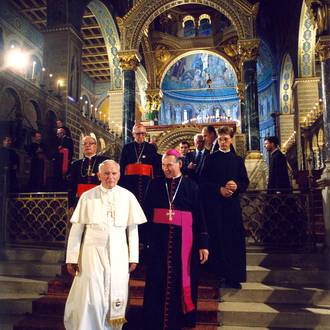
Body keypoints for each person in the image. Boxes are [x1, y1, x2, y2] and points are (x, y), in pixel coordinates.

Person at [64, 160, 147, 330]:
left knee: (115, 293)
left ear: (119, 175)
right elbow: (77, 229)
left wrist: (133, 257)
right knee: (91, 294)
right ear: (99, 176)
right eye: (107, 173)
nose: (110, 177)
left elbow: (132, 230)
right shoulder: (87, 196)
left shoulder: (128, 197)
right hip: (91, 252)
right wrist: (72, 258)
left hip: (119, 252)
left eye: (114, 173)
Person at [142, 149, 209, 330]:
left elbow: (199, 216)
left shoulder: (191, 186)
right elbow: (146, 212)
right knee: (158, 280)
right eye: (163, 165)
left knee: (181, 280)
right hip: (158, 242)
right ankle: (154, 321)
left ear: (180, 164)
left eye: (169, 165)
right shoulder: (155, 184)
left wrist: (203, 244)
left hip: (184, 243)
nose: (166, 169)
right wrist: (143, 240)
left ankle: (180, 321)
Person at [199, 126, 249, 289]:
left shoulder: (238, 160)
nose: (223, 142)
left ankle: (234, 277)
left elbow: (245, 183)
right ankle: (218, 274)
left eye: (226, 139)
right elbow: (203, 182)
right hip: (216, 206)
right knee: (218, 239)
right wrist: (219, 189)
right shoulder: (210, 159)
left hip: (232, 207)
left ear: (231, 140)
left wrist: (237, 186)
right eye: (220, 139)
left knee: (233, 240)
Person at [119, 123, 160, 243]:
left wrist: (155, 186)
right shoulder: (127, 148)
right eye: (138, 133)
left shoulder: (151, 148)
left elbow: (156, 168)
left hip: (148, 186)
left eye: (143, 133)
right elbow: (122, 167)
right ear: (133, 134)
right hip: (130, 186)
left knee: (146, 213)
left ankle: (146, 242)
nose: (141, 136)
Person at [68, 136, 108, 215]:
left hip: (100, 199)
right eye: (84, 144)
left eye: (90, 143)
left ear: (95, 146)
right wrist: (71, 204)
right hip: (80, 200)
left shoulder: (104, 162)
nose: (87, 146)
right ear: (82, 147)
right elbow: (72, 186)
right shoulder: (76, 164)